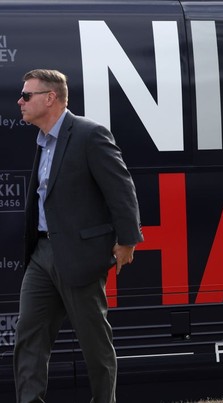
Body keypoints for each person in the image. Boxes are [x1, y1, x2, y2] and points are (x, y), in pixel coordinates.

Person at [14, 69, 143, 403]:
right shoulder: (42, 141)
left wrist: (127, 240)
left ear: (50, 98)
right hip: (41, 254)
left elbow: (121, 189)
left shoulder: (89, 134)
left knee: (94, 342)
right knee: (28, 336)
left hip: (80, 254)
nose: (20, 101)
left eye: (27, 95)